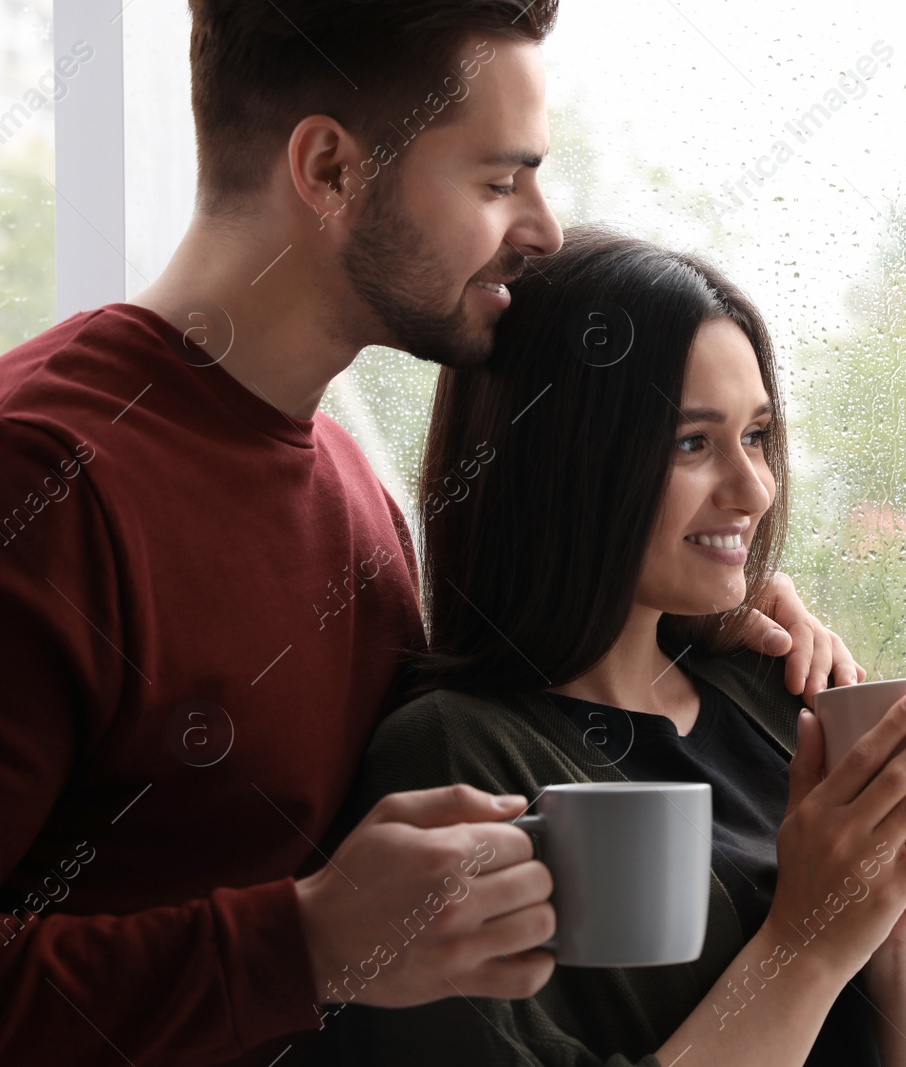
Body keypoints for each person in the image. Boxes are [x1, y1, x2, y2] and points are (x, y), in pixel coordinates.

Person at [0, 5, 860, 1065]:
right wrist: (304, 942)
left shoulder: (349, 489)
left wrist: (708, 617)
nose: (542, 227)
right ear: (327, 170)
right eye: (499, 182)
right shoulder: (42, 480)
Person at [322, 226, 906, 1066]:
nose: (754, 488)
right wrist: (809, 941)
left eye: (757, 435)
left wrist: (897, 933)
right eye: (693, 442)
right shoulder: (452, 757)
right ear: (565, 464)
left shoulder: (784, 695)